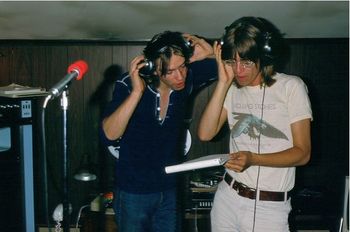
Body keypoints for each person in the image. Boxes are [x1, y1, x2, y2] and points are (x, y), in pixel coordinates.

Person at [197, 17, 313, 231]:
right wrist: (223, 83)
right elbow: (205, 133)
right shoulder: (232, 87)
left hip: (269, 208)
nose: (239, 70)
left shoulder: (291, 87)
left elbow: (303, 153)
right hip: (227, 198)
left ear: (264, 56)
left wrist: (253, 159)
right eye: (232, 62)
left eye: (247, 62)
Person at [100, 31, 217, 232]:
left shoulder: (187, 78)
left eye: (183, 67)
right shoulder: (128, 84)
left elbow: (229, 68)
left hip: (169, 189)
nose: (180, 76)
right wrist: (137, 92)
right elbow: (109, 135)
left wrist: (210, 54)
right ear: (153, 68)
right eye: (171, 71)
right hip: (133, 192)